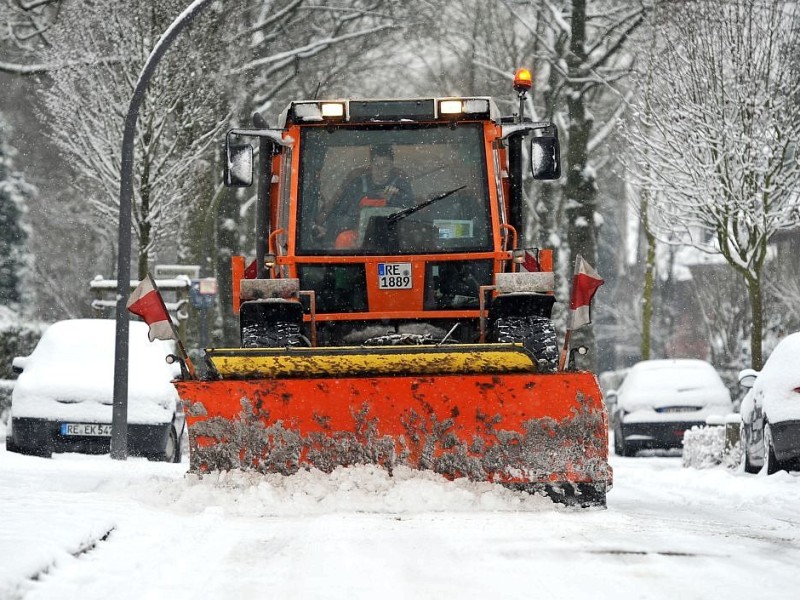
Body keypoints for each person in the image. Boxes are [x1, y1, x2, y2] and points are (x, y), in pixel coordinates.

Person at [313, 145, 413, 245]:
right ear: (371, 165)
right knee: (344, 239)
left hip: (394, 237)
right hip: (359, 238)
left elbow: (412, 214)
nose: (380, 170)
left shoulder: (402, 185)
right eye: (376, 165)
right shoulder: (357, 185)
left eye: (385, 165)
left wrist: (393, 200)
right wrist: (359, 214)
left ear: (392, 165)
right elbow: (340, 214)